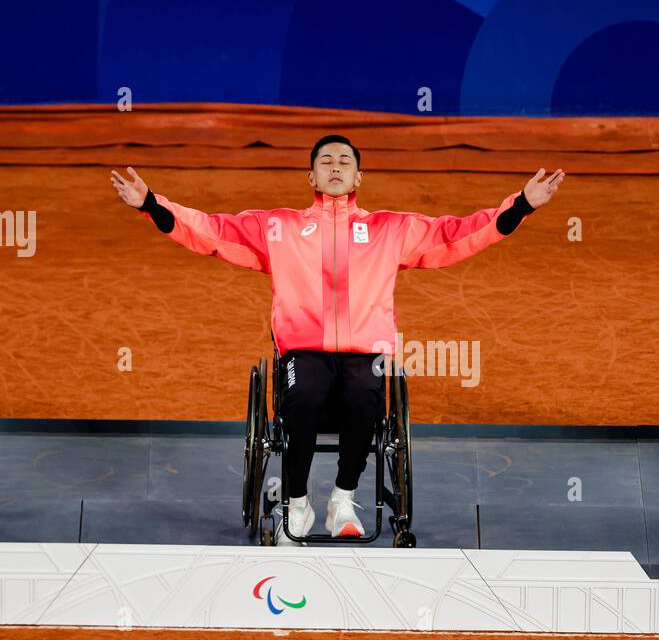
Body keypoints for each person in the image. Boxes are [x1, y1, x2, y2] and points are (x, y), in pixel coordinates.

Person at [111, 135, 564, 541]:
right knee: (302, 400)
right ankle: (299, 502)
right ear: (310, 174)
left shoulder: (391, 228)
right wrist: (150, 203)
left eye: (344, 161)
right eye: (325, 160)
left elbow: (457, 235)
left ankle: (343, 499)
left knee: (365, 402)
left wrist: (520, 205)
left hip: (364, 353)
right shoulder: (277, 226)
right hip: (302, 351)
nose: (334, 166)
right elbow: (210, 230)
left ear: (358, 176)